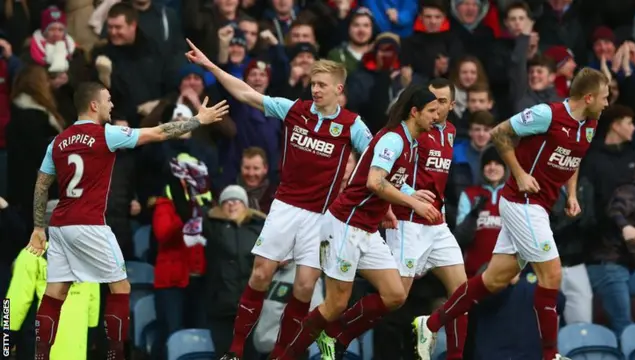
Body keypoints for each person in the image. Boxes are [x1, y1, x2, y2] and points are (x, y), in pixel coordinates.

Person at [184, 40, 375, 360]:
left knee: (303, 288)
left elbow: (376, 163)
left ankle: (280, 355)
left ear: (338, 88)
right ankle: (235, 350)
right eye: (313, 83)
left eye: (322, 85)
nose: (315, 89)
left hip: (320, 216)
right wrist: (211, 66)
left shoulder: (352, 125)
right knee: (260, 274)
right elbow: (246, 93)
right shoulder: (294, 109)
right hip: (286, 205)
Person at [414, 67, 610, 360]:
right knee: (552, 274)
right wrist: (518, 174)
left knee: (493, 280)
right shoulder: (548, 114)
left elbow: (574, 156)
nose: (607, 103)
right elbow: (499, 132)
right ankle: (551, 355)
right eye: (605, 97)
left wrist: (570, 194)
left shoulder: (590, 123)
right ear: (589, 96)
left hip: (540, 206)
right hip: (522, 202)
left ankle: (429, 323)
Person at [25, 81, 229, 360]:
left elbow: (41, 184)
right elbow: (159, 132)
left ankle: (40, 355)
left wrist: (38, 227)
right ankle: (115, 355)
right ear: (94, 105)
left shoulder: (58, 141)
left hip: (60, 225)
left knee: (56, 291)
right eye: (108, 100)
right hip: (90, 224)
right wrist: (197, 120)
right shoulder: (106, 134)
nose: (111, 105)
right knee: (121, 288)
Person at [277, 84, 442, 360]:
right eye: (432, 111)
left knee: (395, 295)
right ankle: (285, 356)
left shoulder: (413, 143)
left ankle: (334, 336)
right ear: (414, 112)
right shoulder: (393, 139)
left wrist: (389, 207)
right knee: (334, 305)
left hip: (367, 227)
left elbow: (385, 183)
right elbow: (374, 181)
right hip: (345, 224)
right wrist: (412, 202)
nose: (437, 117)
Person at [389, 78, 468, 360]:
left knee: (463, 293)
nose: (435, 106)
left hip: (437, 225)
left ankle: (455, 356)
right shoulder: (411, 131)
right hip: (407, 222)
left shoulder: (451, 131)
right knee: (395, 299)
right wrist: (411, 195)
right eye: (431, 99)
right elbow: (389, 174)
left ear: (453, 106)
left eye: (443, 101)